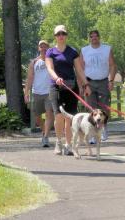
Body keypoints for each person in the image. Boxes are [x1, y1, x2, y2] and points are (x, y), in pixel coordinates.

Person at [45, 25, 91, 156]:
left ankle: (68, 144)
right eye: (58, 34)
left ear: (66, 35)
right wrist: (56, 78)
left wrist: (86, 84)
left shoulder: (72, 52)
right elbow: (49, 68)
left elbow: (79, 70)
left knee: (70, 117)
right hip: (56, 86)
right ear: (55, 36)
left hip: (71, 87)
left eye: (63, 34)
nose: (61, 36)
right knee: (59, 115)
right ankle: (58, 141)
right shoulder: (50, 52)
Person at [81, 29, 116, 142]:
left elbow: (112, 65)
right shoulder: (84, 50)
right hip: (89, 82)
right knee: (91, 108)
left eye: (96, 36)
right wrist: (83, 84)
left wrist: (111, 81)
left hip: (103, 81)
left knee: (105, 108)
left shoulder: (107, 49)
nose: (94, 38)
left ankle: (104, 129)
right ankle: (92, 134)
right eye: (92, 36)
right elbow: (80, 69)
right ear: (89, 38)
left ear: (99, 37)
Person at [24, 40, 54, 147]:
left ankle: (45, 137)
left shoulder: (51, 60)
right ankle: (44, 131)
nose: (43, 48)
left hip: (49, 91)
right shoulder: (34, 62)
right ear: (38, 48)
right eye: (41, 47)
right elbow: (29, 78)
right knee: (37, 116)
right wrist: (26, 92)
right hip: (37, 92)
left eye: (46, 47)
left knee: (49, 113)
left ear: (48, 48)